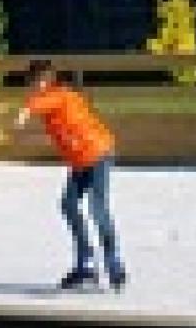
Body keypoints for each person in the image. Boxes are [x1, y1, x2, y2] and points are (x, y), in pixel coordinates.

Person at [16, 59, 126, 293]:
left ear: (45, 81)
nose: (31, 87)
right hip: (80, 161)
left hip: (97, 154)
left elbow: (44, 103)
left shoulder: (61, 95)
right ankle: (85, 262)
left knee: (98, 207)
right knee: (68, 204)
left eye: (33, 83)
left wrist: (26, 111)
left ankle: (114, 261)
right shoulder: (50, 102)